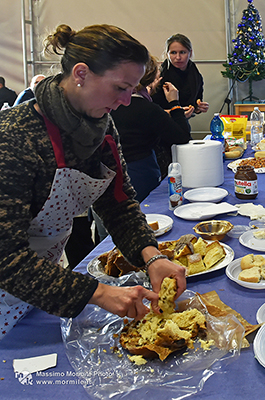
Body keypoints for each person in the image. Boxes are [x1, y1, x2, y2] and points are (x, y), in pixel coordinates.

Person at [0, 24, 187, 340]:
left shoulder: (100, 127)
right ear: (81, 73)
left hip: (44, 283)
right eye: (120, 88)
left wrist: (151, 256)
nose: (127, 100)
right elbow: (7, 258)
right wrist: (98, 293)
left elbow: (118, 203)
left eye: (133, 89)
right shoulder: (15, 139)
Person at [111, 56, 192, 202]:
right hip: (140, 173)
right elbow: (182, 137)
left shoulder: (110, 103)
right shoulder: (148, 109)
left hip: (109, 172)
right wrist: (175, 103)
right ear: (151, 81)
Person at [152, 33, 209, 178]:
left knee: (186, 168)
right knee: (170, 172)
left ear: (190, 53)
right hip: (160, 131)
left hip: (182, 125)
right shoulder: (161, 76)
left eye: (182, 52)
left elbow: (195, 101)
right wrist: (173, 111)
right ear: (167, 54)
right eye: (173, 53)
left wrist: (198, 108)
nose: (178, 57)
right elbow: (151, 108)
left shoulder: (195, 74)